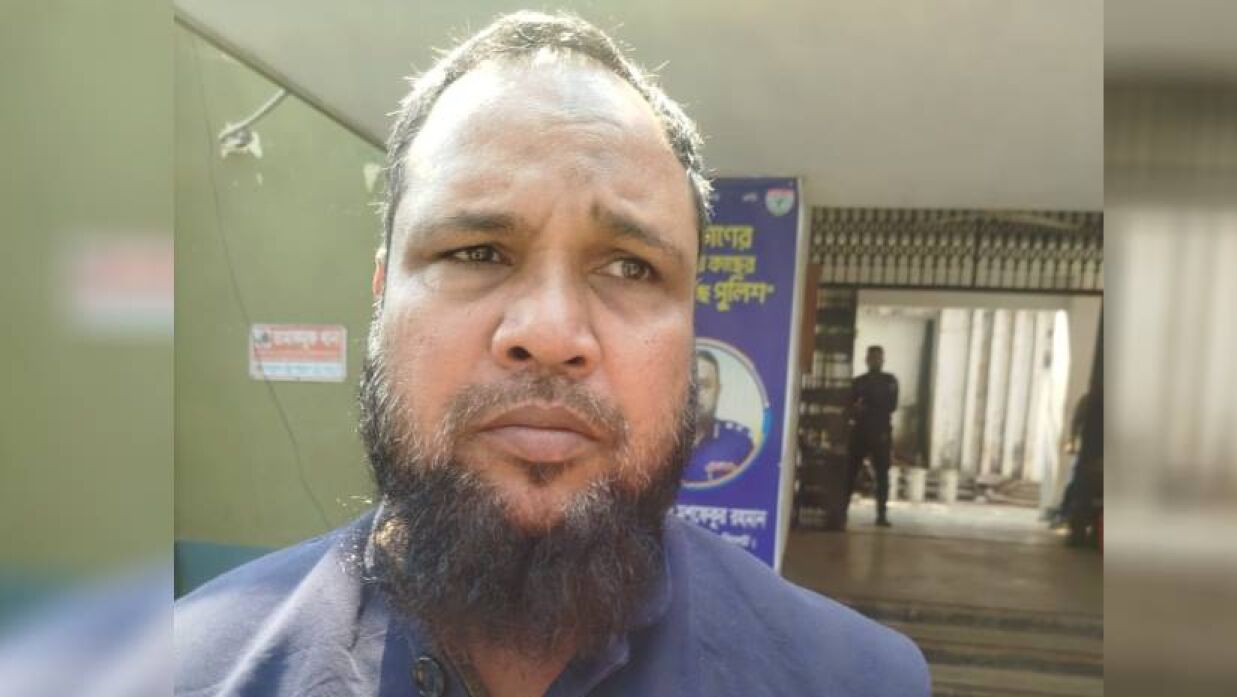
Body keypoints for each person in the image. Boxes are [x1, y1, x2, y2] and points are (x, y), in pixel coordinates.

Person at [175, 12, 929, 697]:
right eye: (476, 251)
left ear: (691, 328)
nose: (551, 333)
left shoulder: (856, 681)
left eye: (630, 267)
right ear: (381, 299)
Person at [682, 349, 754, 484]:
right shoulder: (658, 443)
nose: (696, 394)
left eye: (704, 385)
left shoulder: (740, 443)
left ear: (718, 391)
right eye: (689, 385)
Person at [846, 345, 899, 527]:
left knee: (882, 475)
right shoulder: (858, 382)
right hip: (860, 432)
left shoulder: (890, 380)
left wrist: (867, 404)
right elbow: (850, 406)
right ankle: (842, 512)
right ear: (866, 360)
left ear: (883, 360)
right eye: (872, 358)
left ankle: (881, 515)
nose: (875, 361)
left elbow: (891, 405)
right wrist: (867, 405)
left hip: (881, 433)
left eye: (878, 358)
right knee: (850, 473)